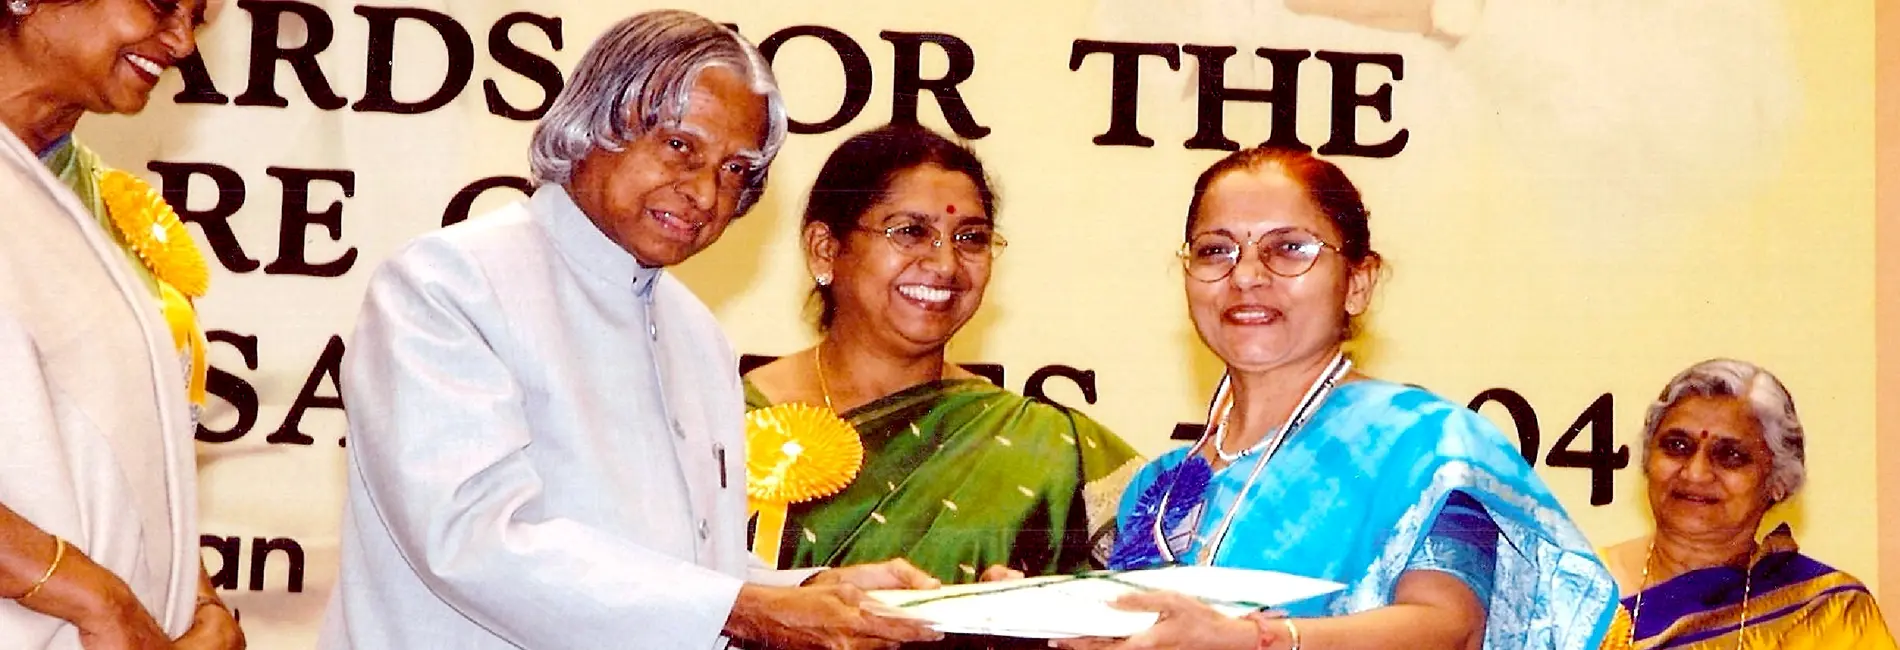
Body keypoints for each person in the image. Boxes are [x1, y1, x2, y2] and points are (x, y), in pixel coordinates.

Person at [319, 11, 948, 650]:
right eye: (681, 146)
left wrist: (819, 594)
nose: (705, 192)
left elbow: (690, 569)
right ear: (593, 123)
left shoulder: (696, 333)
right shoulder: (449, 284)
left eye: (735, 169)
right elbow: (471, 541)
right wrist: (748, 609)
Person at [1061, 146, 1615, 650]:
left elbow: (1448, 627)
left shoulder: (1425, 445)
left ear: (1358, 283)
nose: (1247, 275)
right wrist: (1047, 614)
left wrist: (1253, 641)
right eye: (1215, 251)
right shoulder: (1158, 490)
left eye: (1289, 248)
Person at [742, 123, 1143, 585]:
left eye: (970, 238)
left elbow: (1162, 602)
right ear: (825, 250)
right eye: (910, 232)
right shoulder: (723, 422)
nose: (946, 264)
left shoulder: (1046, 444)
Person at [0, 0, 241, 647]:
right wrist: (97, 601)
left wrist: (200, 604)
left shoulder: (94, 197)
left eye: (199, 18)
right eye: (163, 5)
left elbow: (121, 449)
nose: (184, 44)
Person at [1596, 359, 1897, 649]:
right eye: (1677, 446)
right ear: (1648, 458)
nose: (1695, 473)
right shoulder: (1573, 587)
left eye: (1731, 455)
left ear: (1779, 481)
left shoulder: (1828, 613)